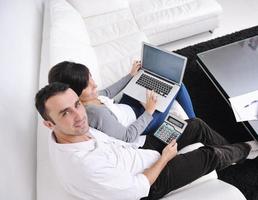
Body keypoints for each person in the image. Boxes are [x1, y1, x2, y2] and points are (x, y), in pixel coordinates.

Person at [35, 82, 258, 200]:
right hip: (152, 181)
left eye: (77, 104)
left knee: (193, 124)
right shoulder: (83, 166)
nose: (79, 115)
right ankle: (249, 149)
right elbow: (137, 189)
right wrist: (165, 158)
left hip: (140, 149)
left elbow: (120, 143)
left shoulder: (72, 132)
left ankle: (233, 155)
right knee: (208, 155)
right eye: (65, 113)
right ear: (49, 124)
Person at [48, 61, 195, 143]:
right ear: (72, 93)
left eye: (90, 77)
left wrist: (130, 76)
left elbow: (107, 92)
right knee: (177, 87)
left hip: (125, 108)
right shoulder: (96, 113)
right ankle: (194, 120)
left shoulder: (85, 99)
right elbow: (127, 137)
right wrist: (149, 111)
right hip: (142, 123)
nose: (94, 85)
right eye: (87, 85)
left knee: (151, 79)